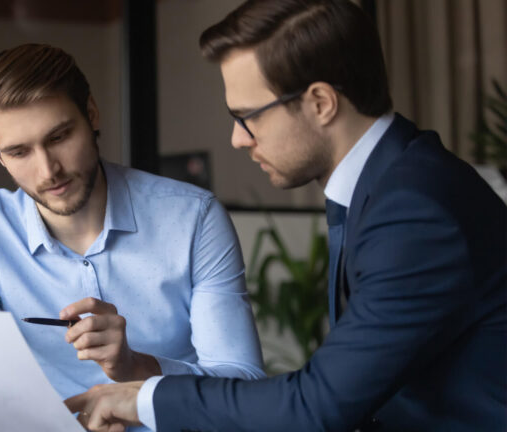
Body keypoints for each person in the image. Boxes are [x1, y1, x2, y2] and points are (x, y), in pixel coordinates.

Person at [64, 1, 507, 431]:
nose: (238, 139)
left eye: (247, 117)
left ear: (320, 102)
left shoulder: (414, 211)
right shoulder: (390, 181)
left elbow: (318, 406)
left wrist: (141, 399)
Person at [0, 43, 265, 427]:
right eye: (19, 152)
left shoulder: (193, 217)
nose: (48, 170)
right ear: (0, 158)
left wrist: (135, 367)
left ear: (92, 114)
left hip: (152, 420)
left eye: (59, 137)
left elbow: (242, 383)